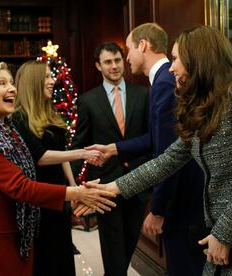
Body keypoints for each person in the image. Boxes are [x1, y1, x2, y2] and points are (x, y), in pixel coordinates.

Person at [86, 26, 232, 275]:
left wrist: (224, 234)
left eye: (175, 59)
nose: (171, 67)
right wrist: (113, 188)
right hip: (223, 234)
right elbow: (168, 160)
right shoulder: (204, 107)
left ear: (199, 58)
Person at [0, 62, 116, 276]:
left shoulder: (7, 129)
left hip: (15, 229)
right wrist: (77, 193)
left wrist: (73, 189)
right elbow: (21, 187)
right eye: (2, 83)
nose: (13, 89)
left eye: (12, 83)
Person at [87, 23, 205, 275]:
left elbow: (168, 154)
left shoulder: (163, 82)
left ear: (143, 45)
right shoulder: (162, 80)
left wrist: (159, 209)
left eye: (128, 49)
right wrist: (114, 148)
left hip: (182, 202)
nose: (127, 57)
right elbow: (156, 138)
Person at [12, 60, 102, 276]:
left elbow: (61, 157)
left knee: (61, 253)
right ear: (33, 82)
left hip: (60, 196)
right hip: (38, 199)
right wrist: (82, 153)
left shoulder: (50, 112)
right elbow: (41, 157)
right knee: (46, 256)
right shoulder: (18, 117)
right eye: (47, 77)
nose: (53, 80)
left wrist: (73, 189)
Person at [70, 41, 149, 276]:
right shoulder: (88, 100)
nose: (114, 66)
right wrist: (74, 187)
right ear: (98, 66)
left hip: (138, 180)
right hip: (105, 184)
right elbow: (79, 146)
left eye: (117, 60)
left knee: (130, 239)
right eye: (107, 62)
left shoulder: (143, 95)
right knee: (112, 244)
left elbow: (150, 138)